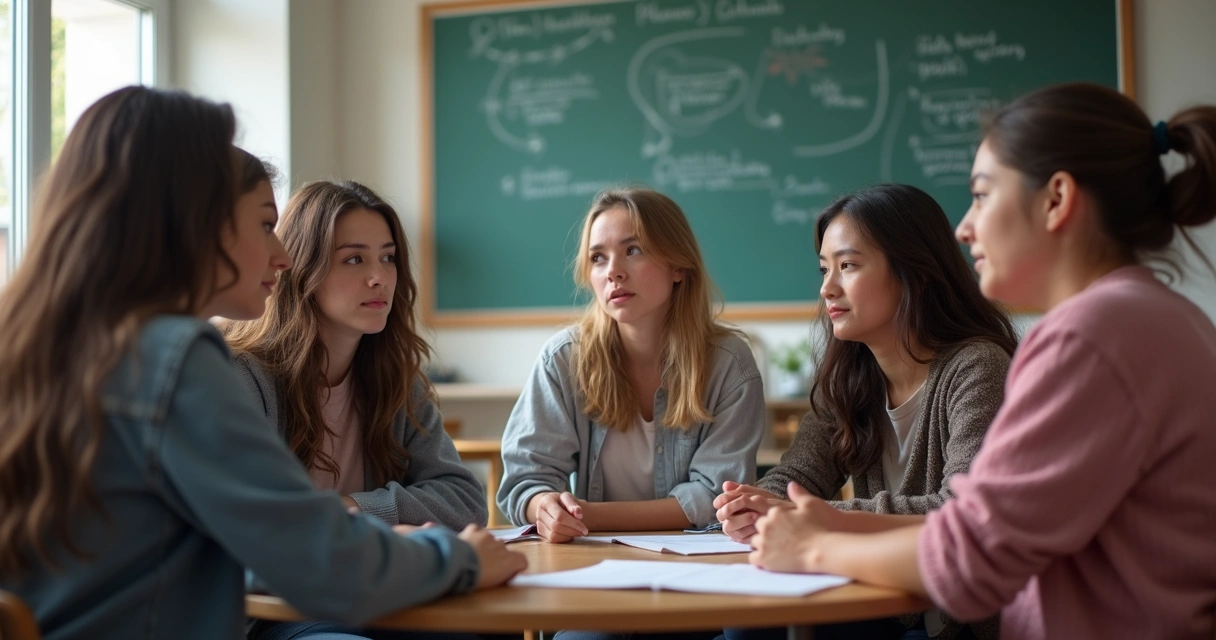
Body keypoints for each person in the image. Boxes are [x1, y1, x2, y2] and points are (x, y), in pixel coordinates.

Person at [0, 86, 525, 640]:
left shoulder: (48, 348)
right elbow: (318, 561)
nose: (282, 256)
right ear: (188, 222)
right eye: (262, 224)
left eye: (388, 259)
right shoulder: (174, 360)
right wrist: (459, 560)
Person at [749, 82, 1216, 639]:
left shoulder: (1088, 338)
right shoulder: (1161, 315)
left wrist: (816, 543)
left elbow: (971, 555)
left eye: (982, 195)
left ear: (1056, 200)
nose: (964, 228)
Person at [715, 184, 1015, 640]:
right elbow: (793, 480)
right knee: (743, 629)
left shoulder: (978, 365)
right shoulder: (849, 377)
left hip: (953, 621)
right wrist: (756, 508)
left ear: (916, 272)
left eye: (848, 266)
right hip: (879, 600)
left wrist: (821, 515)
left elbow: (961, 510)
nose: (826, 288)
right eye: (823, 268)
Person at [497, 187, 766, 542]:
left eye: (633, 250)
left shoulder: (729, 363)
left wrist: (587, 515)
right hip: (591, 563)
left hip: (696, 563)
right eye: (598, 258)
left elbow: (715, 496)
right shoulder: (563, 358)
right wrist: (544, 506)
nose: (613, 272)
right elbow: (525, 479)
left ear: (678, 266)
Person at [223, 179, 486, 530]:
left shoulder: (397, 380)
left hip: (371, 578)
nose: (379, 277)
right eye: (354, 259)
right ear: (303, 270)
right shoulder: (242, 374)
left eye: (388, 257)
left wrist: (351, 508)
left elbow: (465, 501)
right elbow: (247, 518)